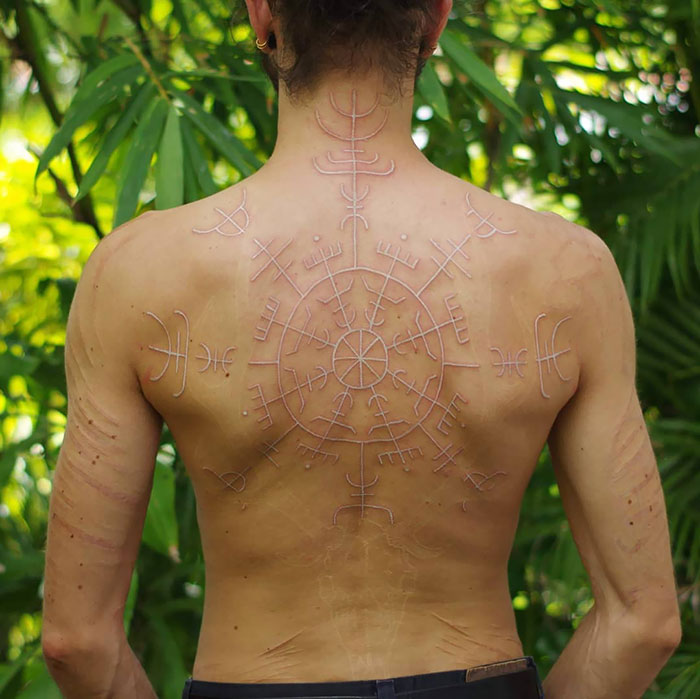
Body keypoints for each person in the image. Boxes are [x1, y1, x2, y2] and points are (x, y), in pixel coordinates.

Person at [41, 1, 682, 698]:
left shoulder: (140, 273)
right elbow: (642, 621)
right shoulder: (565, 273)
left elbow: (78, 639)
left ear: (262, 14)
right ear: (436, 20)